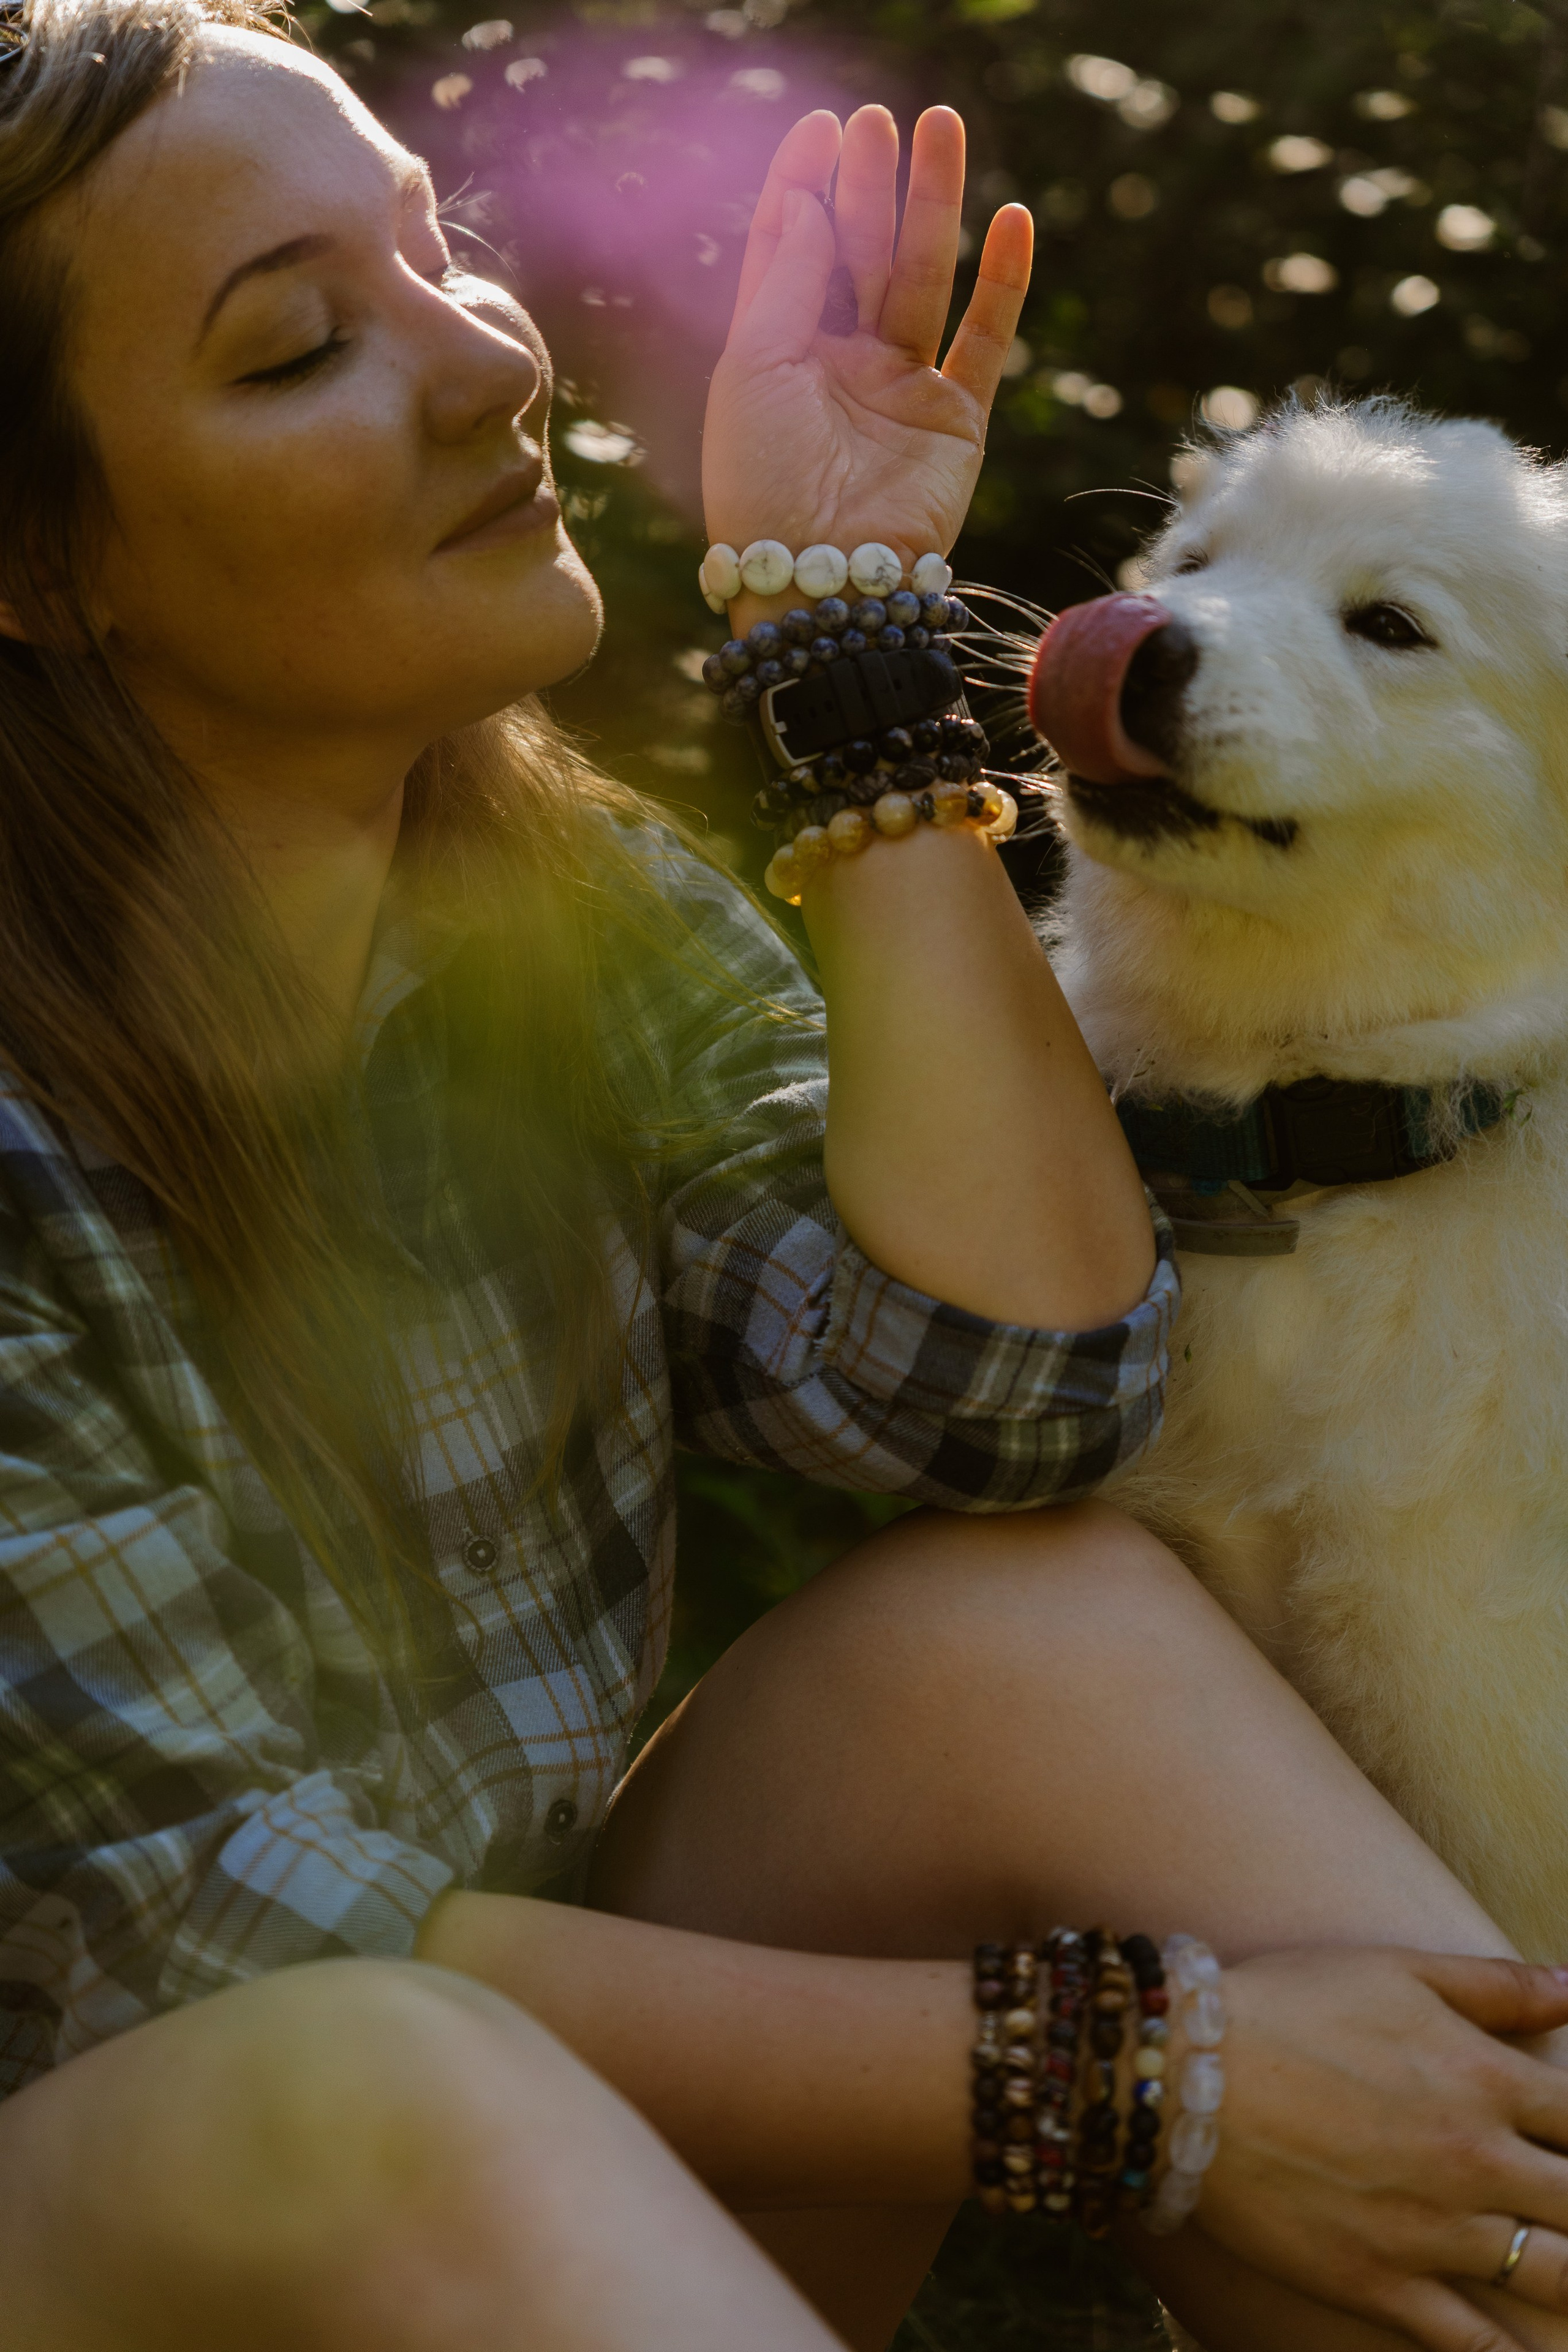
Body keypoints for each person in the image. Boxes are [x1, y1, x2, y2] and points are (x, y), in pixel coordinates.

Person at [0, 6, 1565, 2350]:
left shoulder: (570, 933)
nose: (480, 363)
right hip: (165, 2209)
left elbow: (1011, 1394)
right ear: (37, 563)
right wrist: (1156, 2083)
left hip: (528, 2178)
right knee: (349, 2074)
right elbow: (197, 1932)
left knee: (1021, 1636)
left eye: (442, 252)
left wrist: (849, 636)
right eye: (302, 346)